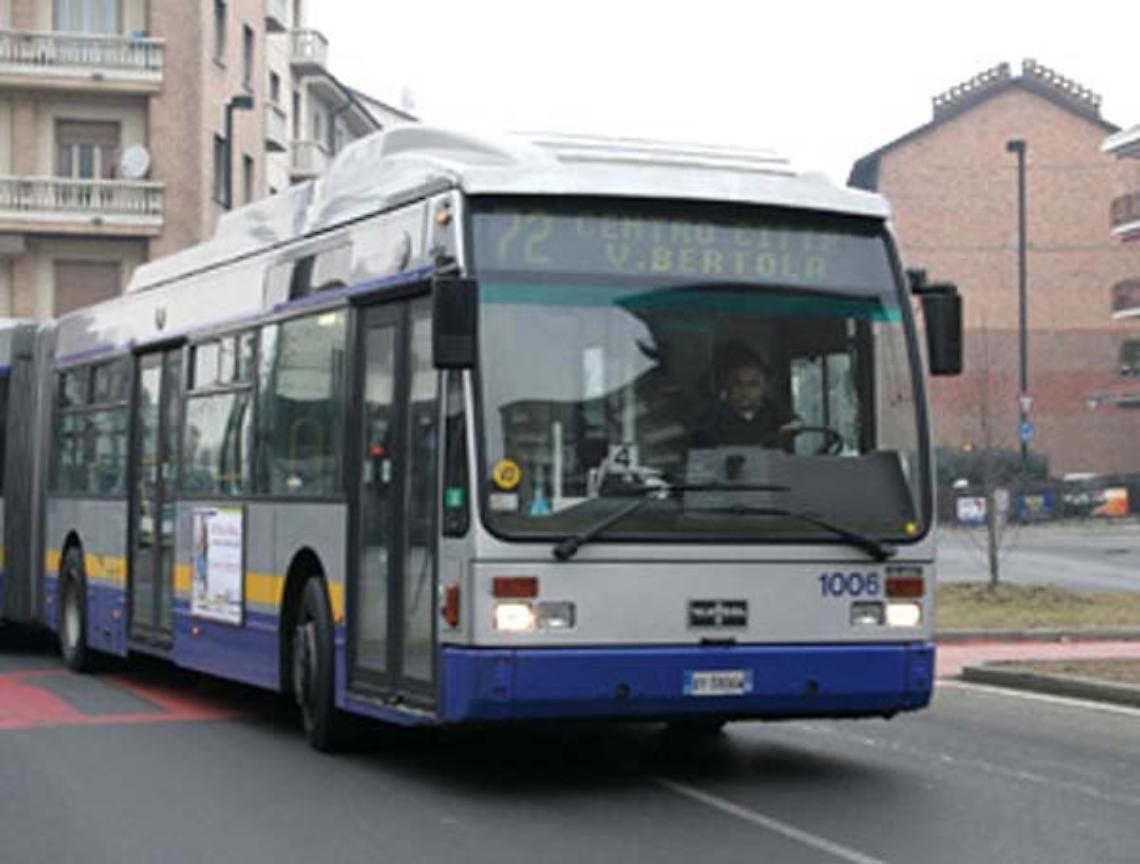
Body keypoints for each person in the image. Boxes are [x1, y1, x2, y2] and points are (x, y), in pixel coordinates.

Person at [693, 345, 801, 448]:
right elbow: (701, 434)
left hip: (767, 464)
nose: (745, 390)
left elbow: (795, 423)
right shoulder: (716, 412)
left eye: (753, 384)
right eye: (737, 383)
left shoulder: (771, 410)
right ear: (727, 384)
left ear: (765, 387)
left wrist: (787, 429)